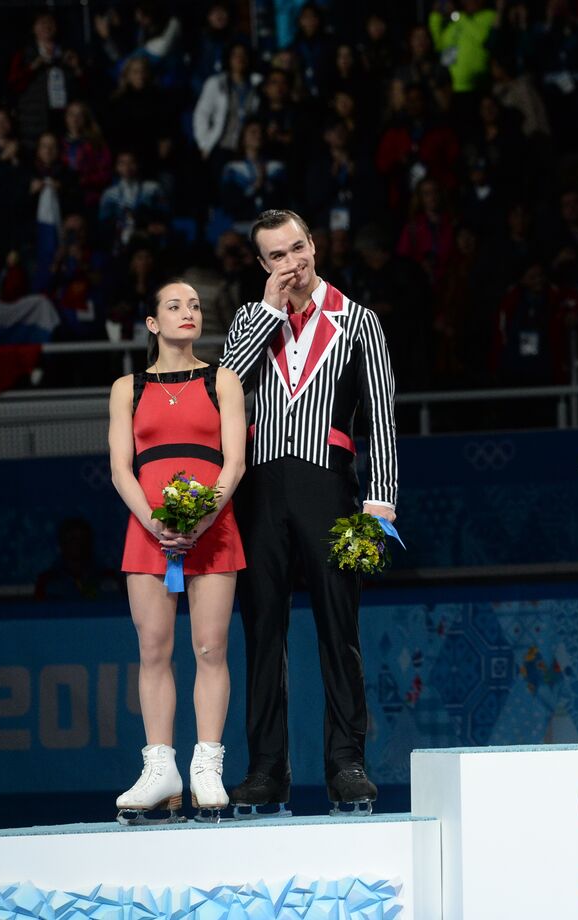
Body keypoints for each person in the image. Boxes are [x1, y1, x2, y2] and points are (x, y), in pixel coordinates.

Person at [220, 209, 398, 816]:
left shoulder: (357, 321)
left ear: (313, 246)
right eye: (277, 256)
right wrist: (268, 312)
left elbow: (381, 417)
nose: (292, 263)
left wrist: (381, 501)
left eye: (298, 249)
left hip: (330, 484)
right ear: (263, 265)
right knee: (263, 632)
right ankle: (267, 770)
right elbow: (226, 387)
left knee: (337, 631)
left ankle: (347, 761)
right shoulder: (251, 319)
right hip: (260, 487)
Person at [107, 281, 247, 823]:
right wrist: (155, 522)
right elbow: (122, 466)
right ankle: (160, 770)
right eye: (174, 306)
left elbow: (233, 462)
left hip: (214, 528)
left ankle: (207, 767)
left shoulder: (223, 380)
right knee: (153, 651)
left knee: (211, 649)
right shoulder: (126, 387)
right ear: (151, 322)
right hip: (148, 530)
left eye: (194, 306)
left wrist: (203, 517)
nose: (187, 313)